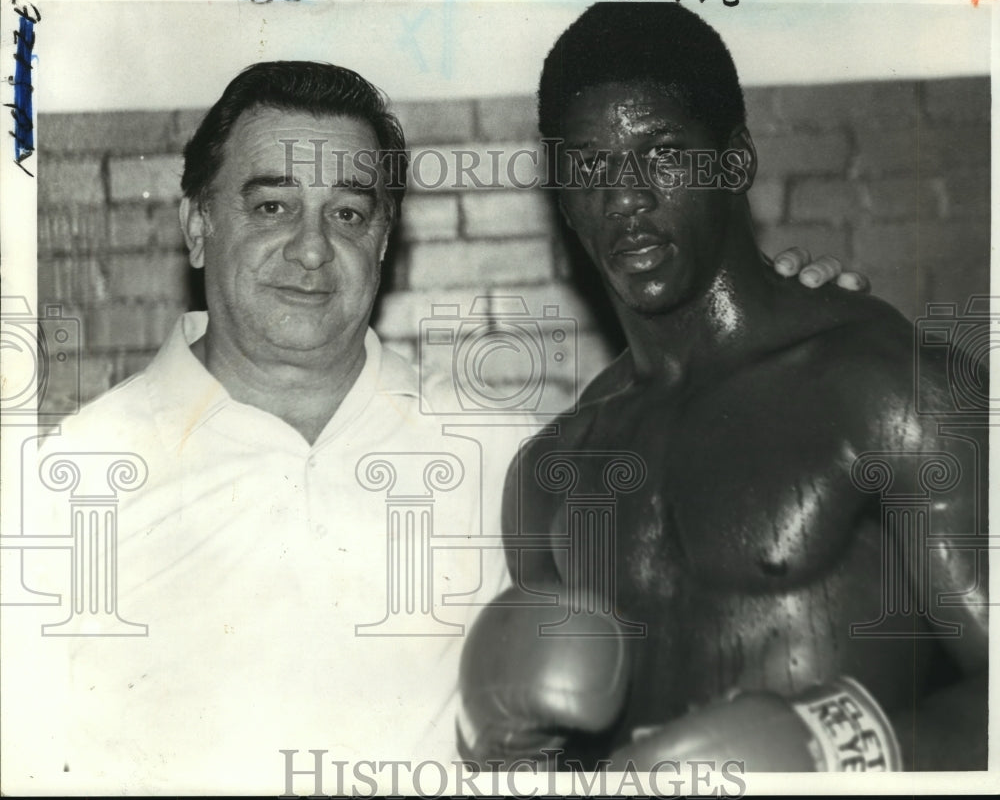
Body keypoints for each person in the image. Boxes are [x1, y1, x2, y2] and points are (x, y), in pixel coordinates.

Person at [13, 59, 855, 793]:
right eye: (272, 207)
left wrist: (767, 331)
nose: (311, 249)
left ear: (384, 239)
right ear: (199, 224)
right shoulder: (68, 476)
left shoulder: (498, 450)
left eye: (347, 213)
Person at [458, 3, 987, 773]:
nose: (625, 196)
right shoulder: (550, 476)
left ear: (735, 162)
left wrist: (835, 747)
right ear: (564, 201)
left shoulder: (892, 388)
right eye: (591, 168)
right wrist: (507, 752)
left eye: (662, 154)